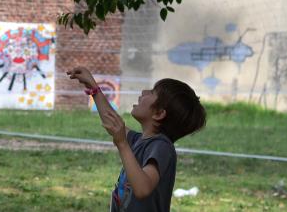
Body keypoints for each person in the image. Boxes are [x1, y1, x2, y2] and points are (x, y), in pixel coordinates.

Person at [67, 67, 206, 212]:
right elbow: (112, 122)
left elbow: (142, 188)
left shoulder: (162, 147)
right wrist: (94, 88)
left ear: (159, 114)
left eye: (152, 92)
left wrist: (122, 143)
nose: (144, 92)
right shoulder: (140, 141)